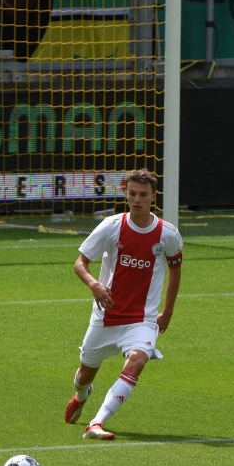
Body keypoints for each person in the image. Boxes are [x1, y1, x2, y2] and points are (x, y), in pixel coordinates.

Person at [64, 168, 183, 440]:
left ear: (153, 196)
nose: (137, 199)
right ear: (125, 193)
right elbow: (80, 263)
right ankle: (81, 396)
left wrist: (168, 312)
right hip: (105, 317)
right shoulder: (111, 226)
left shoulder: (168, 234)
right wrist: (94, 285)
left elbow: (176, 269)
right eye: (132, 194)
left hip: (142, 319)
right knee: (85, 373)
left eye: (143, 194)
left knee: (138, 360)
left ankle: (96, 423)